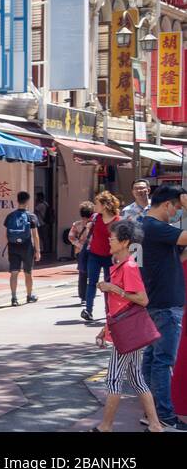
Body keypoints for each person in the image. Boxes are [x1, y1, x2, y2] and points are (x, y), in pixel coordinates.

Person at [92, 221, 164, 432]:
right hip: (123, 332)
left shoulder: (129, 267)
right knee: (137, 379)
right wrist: (105, 328)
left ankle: (105, 426)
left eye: (112, 238)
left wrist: (113, 288)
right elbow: (118, 306)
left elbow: (142, 299)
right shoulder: (121, 266)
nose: (109, 241)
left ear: (124, 242)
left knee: (114, 379)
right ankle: (155, 425)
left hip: (126, 335)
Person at [137, 184, 187, 431]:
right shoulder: (156, 227)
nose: (176, 213)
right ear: (167, 204)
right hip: (166, 305)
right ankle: (165, 416)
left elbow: (172, 258)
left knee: (151, 360)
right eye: (176, 208)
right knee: (162, 361)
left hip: (153, 302)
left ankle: (152, 413)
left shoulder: (141, 226)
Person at [82, 192, 120, 322]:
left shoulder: (117, 220)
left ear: (104, 206)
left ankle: (109, 310)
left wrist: (116, 254)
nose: (95, 206)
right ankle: (88, 310)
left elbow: (118, 239)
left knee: (108, 285)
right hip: (94, 254)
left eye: (97, 204)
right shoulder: (95, 217)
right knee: (91, 282)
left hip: (110, 257)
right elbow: (89, 233)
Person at [5, 191, 41, 307]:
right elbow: (35, 235)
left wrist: (11, 243)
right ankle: (29, 296)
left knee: (14, 273)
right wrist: (37, 251)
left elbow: (6, 234)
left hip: (13, 247)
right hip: (26, 247)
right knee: (28, 273)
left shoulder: (10, 216)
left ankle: (14, 298)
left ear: (17, 200)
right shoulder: (31, 216)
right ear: (27, 201)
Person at [69, 201, 95, 303]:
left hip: (80, 252)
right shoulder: (94, 224)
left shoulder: (76, 224)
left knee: (82, 273)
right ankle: (89, 295)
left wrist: (80, 245)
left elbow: (71, 237)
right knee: (91, 273)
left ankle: (83, 296)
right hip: (93, 251)